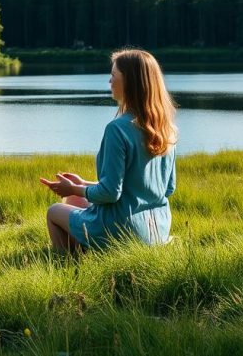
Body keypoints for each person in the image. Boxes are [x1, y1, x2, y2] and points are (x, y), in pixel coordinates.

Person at [39, 49, 177, 253]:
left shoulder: (117, 129)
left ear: (130, 82)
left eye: (113, 76)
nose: (109, 82)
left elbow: (111, 193)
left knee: (54, 211)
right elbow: (167, 188)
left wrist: (72, 188)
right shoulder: (167, 129)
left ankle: (69, 265)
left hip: (122, 230)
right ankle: (88, 251)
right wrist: (82, 185)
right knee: (75, 201)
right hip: (158, 230)